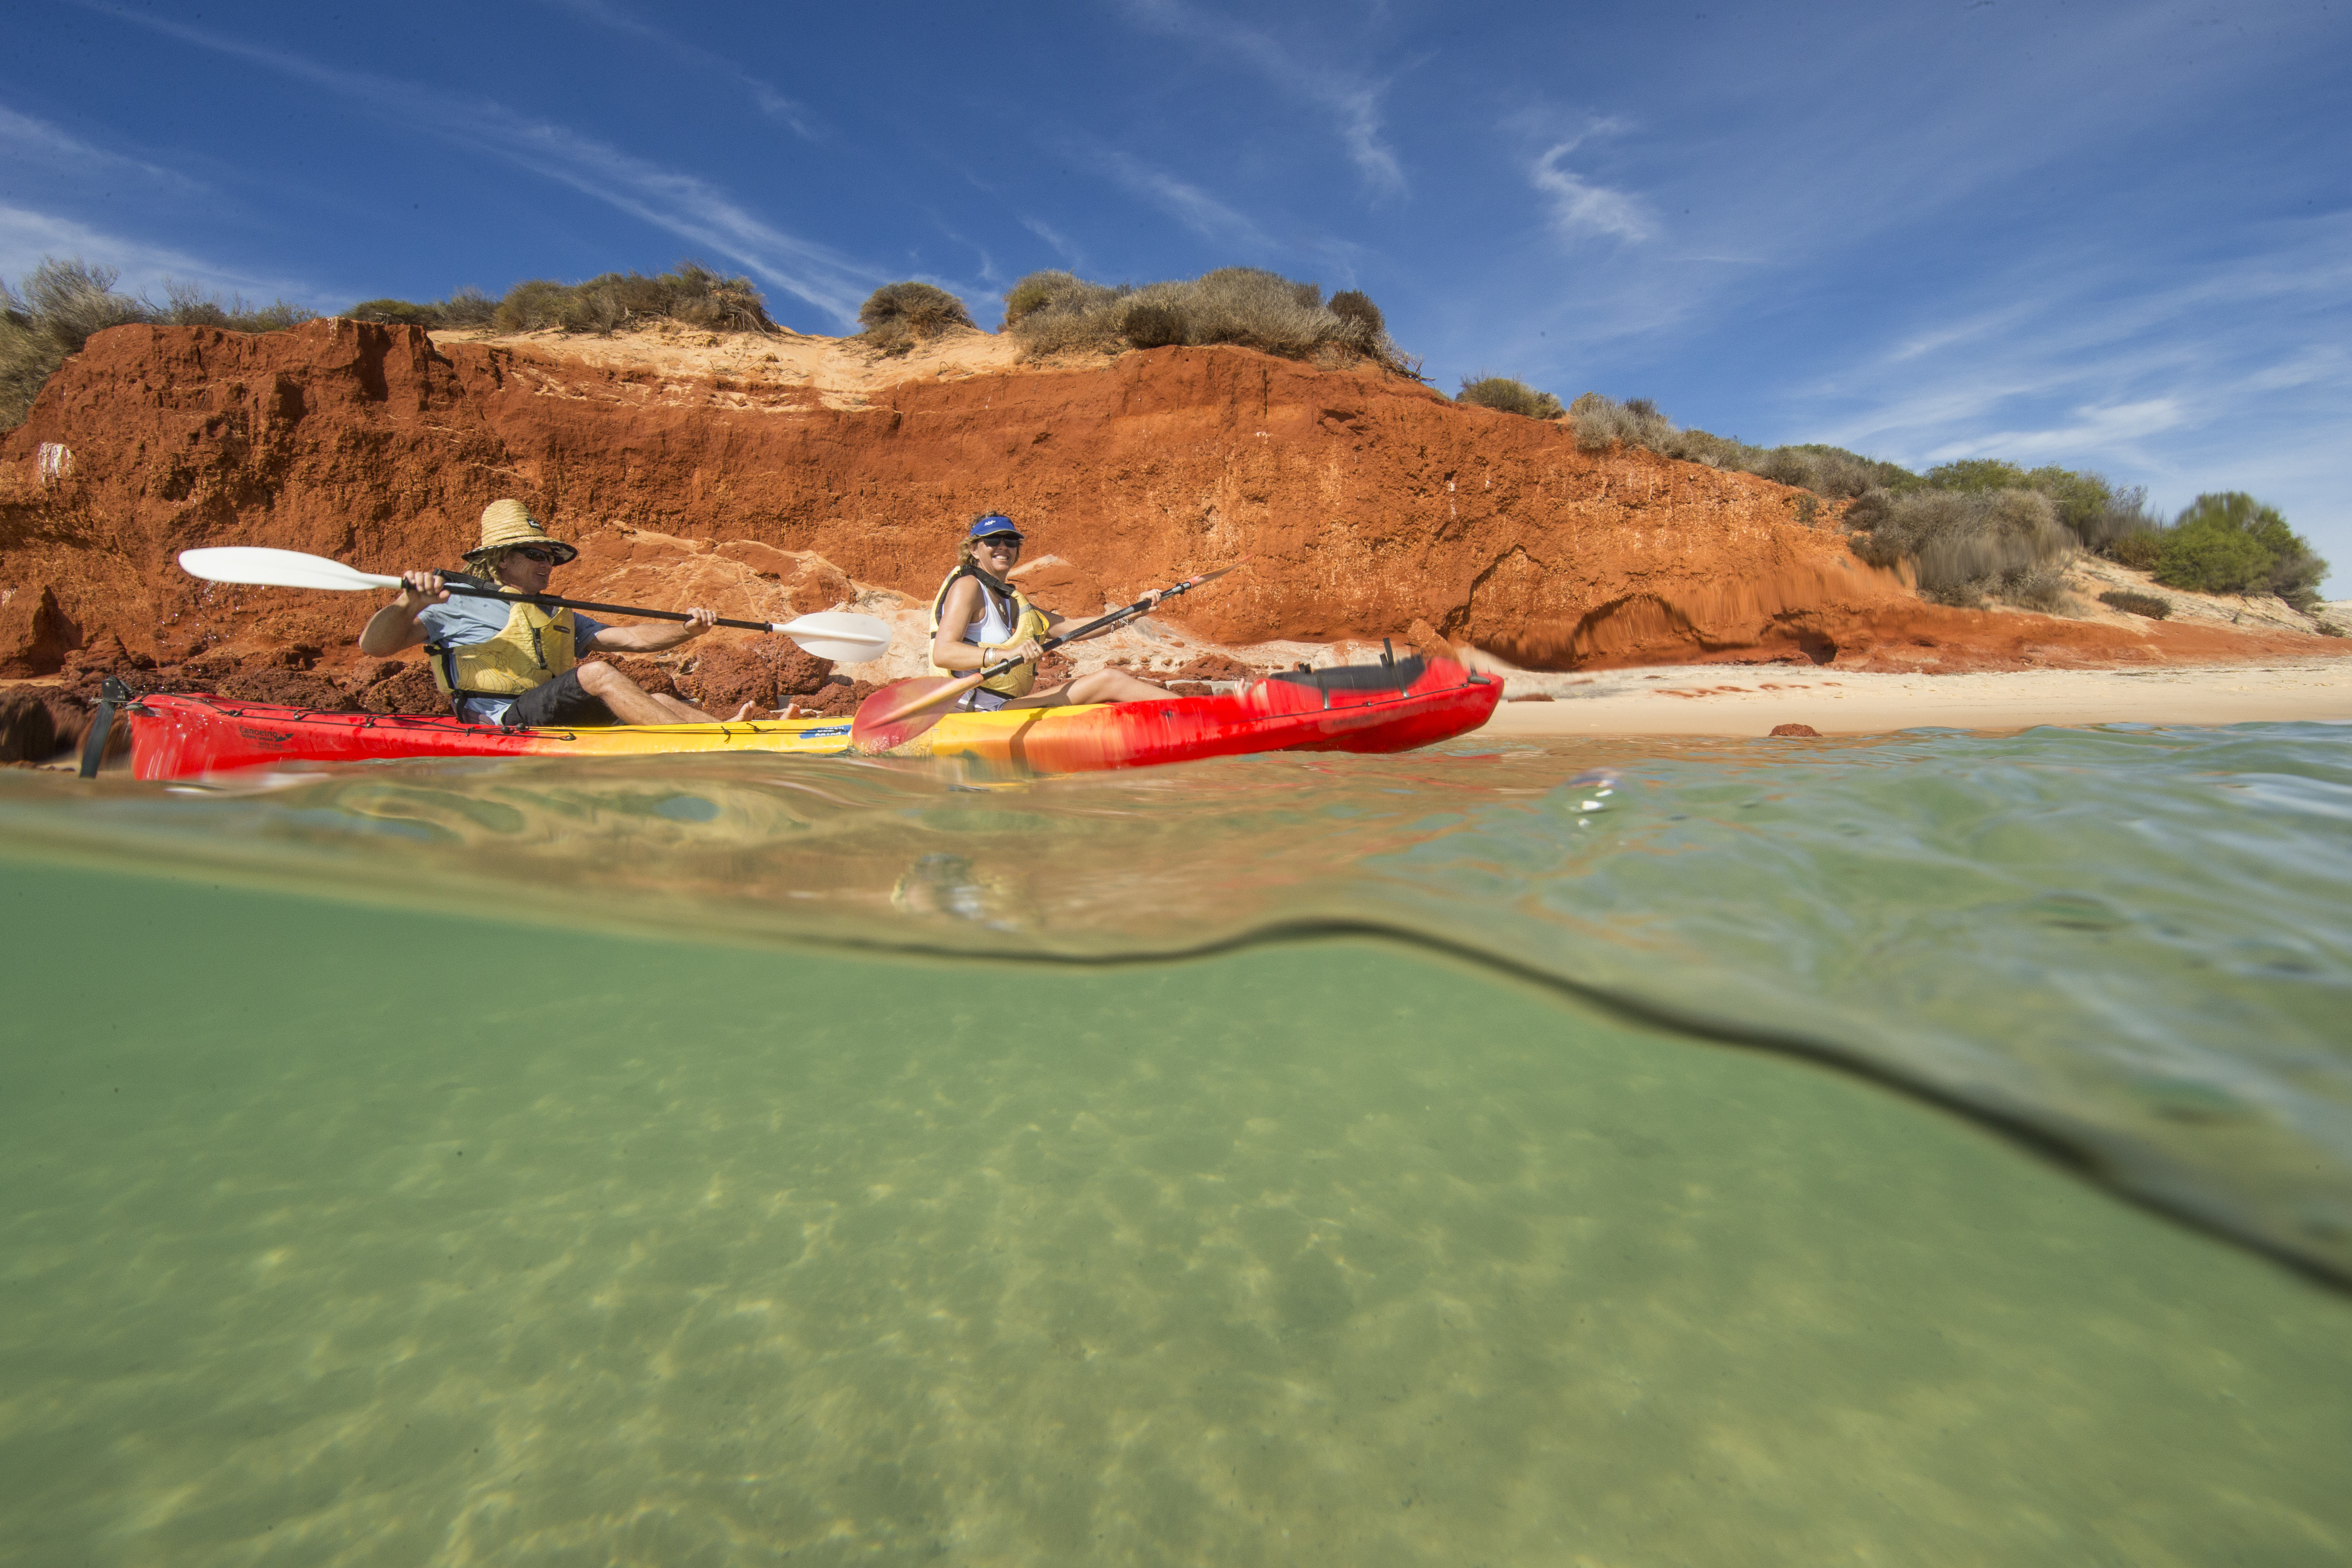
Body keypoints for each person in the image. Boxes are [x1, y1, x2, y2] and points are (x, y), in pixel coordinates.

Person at [358, 499, 771, 726]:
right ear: (501, 560)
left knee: (659, 696)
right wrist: (408, 604)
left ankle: (726, 733)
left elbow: (630, 640)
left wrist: (689, 631)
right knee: (594, 674)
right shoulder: (456, 600)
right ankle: (701, 747)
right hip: (499, 720)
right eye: (536, 554)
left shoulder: (554, 611)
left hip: (545, 714)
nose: (547, 564)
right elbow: (375, 647)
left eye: (552, 557)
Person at [929, 513, 1175, 710]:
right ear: (974, 550)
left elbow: (1073, 628)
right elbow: (943, 652)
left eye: (1010, 541)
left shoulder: (1010, 602)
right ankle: (1204, 717)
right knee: (1110, 680)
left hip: (1001, 706)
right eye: (993, 540)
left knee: (1107, 682)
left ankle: (1196, 714)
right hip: (974, 713)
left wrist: (1134, 612)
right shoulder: (969, 586)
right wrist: (1004, 655)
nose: (1002, 546)